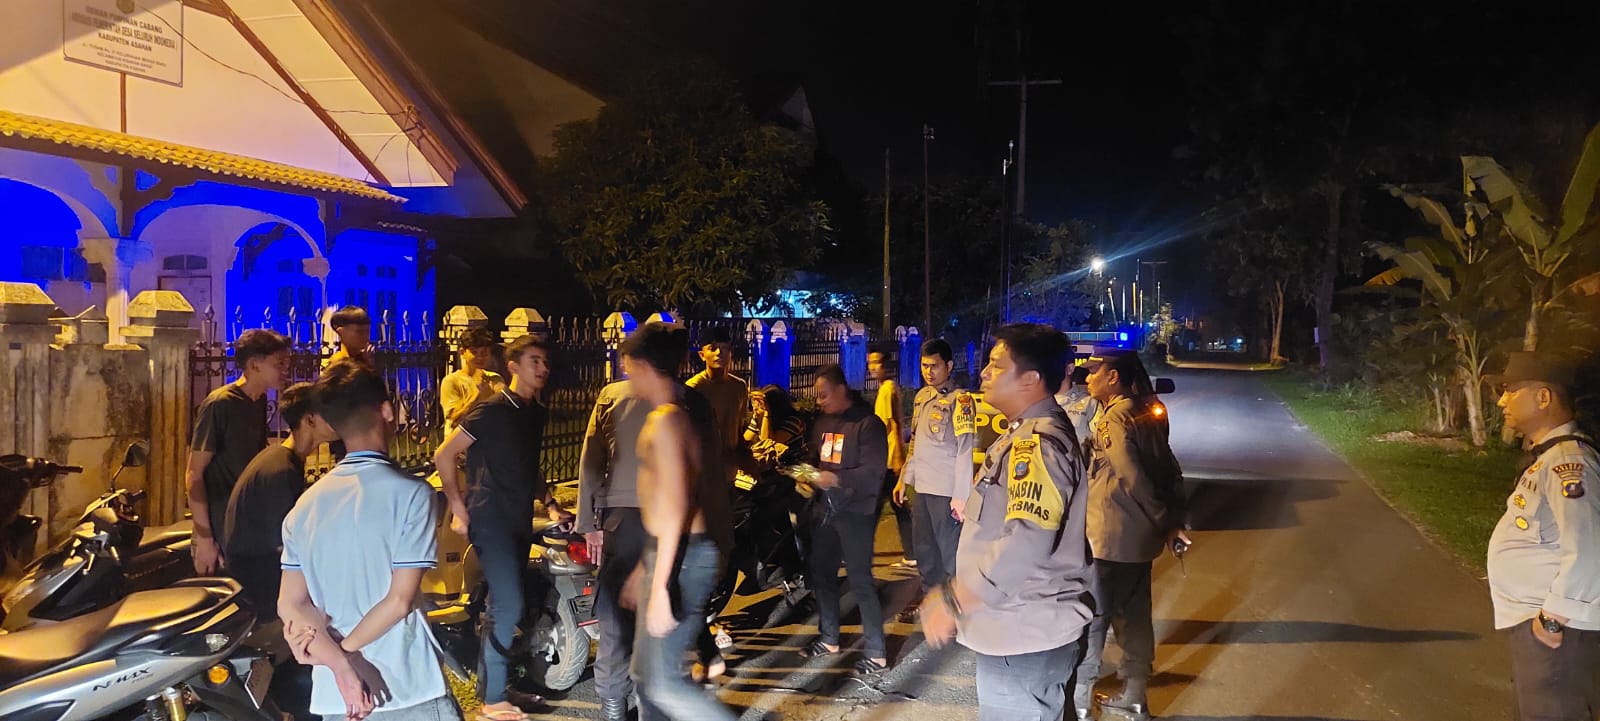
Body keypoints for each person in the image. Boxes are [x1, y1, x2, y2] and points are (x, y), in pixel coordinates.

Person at [920, 323, 1094, 721]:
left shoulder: (1038, 443)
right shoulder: (1025, 433)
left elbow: (1026, 540)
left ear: (1030, 379)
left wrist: (956, 598)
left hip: (1024, 635)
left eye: (997, 365)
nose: (984, 372)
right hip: (1023, 632)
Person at [278, 360, 454, 721]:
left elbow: (290, 603)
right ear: (386, 411)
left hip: (338, 697)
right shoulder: (413, 495)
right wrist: (346, 654)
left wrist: (338, 663)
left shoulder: (304, 507)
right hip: (405, 686)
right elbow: (399, 601)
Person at [433, 334, 559, 721]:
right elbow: (444, 454)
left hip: (519, 517)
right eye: (534, 361)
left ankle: (495, 687)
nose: (542, 368)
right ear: (513, 366)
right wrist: (458, 507)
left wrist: (551, 503)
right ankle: (492, 700)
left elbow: (529, 464)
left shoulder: (535, 411)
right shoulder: (491, 410)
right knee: (508, 605)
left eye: (545, 362)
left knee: (501, 607)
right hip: (490, 517)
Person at [621, 321, 737, 721]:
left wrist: (659, 587)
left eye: (628, 368)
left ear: (643, 366)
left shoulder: (667, 421)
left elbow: (675, 506)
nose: (627, 377)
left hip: (685, 558)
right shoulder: (675, 415)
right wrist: (646, 566)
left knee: (664, 683)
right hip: (673, 553)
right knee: (645, 675)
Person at [1073, 349, 1189, 720]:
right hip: (1139, 539)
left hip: (1109, 536)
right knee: (1135, 616)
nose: (1087, 378)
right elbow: (1170, 468)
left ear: (1113, 377)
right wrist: (1169, 521)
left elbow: (1131, 475)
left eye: (1094, 372)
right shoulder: (1146, 411)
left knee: (1094, 618)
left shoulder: (1114, 418)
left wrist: (1161, 517)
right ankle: (1136, 697)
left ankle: (1080, 701)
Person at [1487, 351, 1600, 721]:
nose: (1502, 401)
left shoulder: (1569, 462)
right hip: (1542, 625)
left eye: (1510, 390)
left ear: (1543, 397)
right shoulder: (1548, 458)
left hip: (1557, 631)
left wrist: (1553, 620)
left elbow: (1589, 547)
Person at [803, 364, 890, 674]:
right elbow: (816, 457)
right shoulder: (824, 422)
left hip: (856, 513)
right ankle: (829, 638)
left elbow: (873, 472)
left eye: (824, 395)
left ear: (841, 390)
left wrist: (836, 479)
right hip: (825, 511)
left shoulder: (868, 424)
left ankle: (877, 653)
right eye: (817, 396)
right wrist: (807, 475)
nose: (820, 401)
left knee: (860, 580)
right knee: (823, 575)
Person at [577, 377, 654, 721]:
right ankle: (644, 700)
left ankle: (614, 704)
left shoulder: (612, 395)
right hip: (665, 517)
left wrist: (588, 523)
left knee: (614, 618)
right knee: (657, 613)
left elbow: (591, 460)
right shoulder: (682, 396)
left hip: (620, 519)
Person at [223, 382, 332, 618]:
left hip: (258, 572)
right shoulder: (281, 470)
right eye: (329, 412)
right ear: (310, 420)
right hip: (260, 583)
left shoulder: (281, 459)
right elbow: (285, 543)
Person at [186, 328, 289, 575]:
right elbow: (193, 474)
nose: (286, 369)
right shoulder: (219, 404)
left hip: (245, 526)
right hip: (219, 528)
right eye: (279, 363)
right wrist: (205, 538)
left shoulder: (258, 401)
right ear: (254, 365)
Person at [894, 339, 976, 623]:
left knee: (950, 554)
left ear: (949, 366)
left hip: (946, 491)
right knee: (925, 550)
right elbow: (916, 443)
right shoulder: (922, 397)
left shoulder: (960, 401)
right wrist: (904, 478)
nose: (929, 372)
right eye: (924, 366)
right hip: (923, 488)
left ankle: (957, 609)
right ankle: (931, 602)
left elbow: (965, 449)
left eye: (935, 366)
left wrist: (961, 495)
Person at [869, 347, 915, 570]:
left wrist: (896, 456)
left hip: (886, 458)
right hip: (888, 457)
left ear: (885, 366)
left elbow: (891, 425)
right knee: (897, 506)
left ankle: (860, 552)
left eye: (876, 363)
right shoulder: (888, 387)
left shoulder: (887, 390)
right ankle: (912, 553)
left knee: (874, 507)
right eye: (870, 363)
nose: (872, 368)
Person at [440, 327, 507, 434]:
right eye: (474, 352)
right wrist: (478, 397)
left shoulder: (495, 379)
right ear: (462, 352)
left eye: (484, 353)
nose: (479, 357)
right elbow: (454, 421)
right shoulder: (451, 381)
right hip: (461, 442)